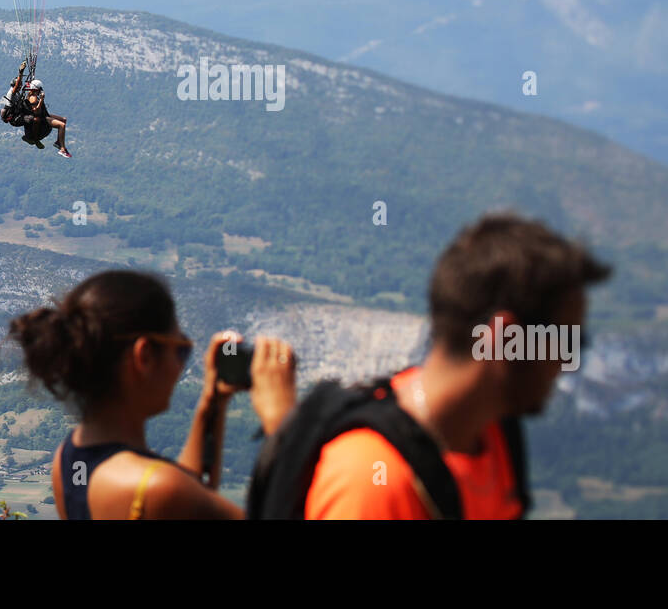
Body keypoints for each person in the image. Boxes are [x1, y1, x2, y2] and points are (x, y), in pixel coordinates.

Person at [248, 212, 611, 520]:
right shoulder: (373, 481)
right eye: (566, 342)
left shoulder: (494, 433)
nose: (568, 360)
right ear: (506, 337)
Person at [5, 270, 297, 519]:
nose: (181, 365)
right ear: (144, 356)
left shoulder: (68, 462)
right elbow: (182, 494)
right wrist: (283, 421)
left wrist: (212, 401)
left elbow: (189, 493)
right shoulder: (160, 490)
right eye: (181, 349)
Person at [0, 61, 71, 158]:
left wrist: (31, 76)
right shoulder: (12, 93)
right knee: (32, 119)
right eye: (19, 85)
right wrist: (21, 72)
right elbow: (36, 111)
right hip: (14, 118)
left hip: (29, 113)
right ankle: (34, 138)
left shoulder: (26, 93)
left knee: (63, 120)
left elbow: (26, 87)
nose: (20, 86)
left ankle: (58, 142)